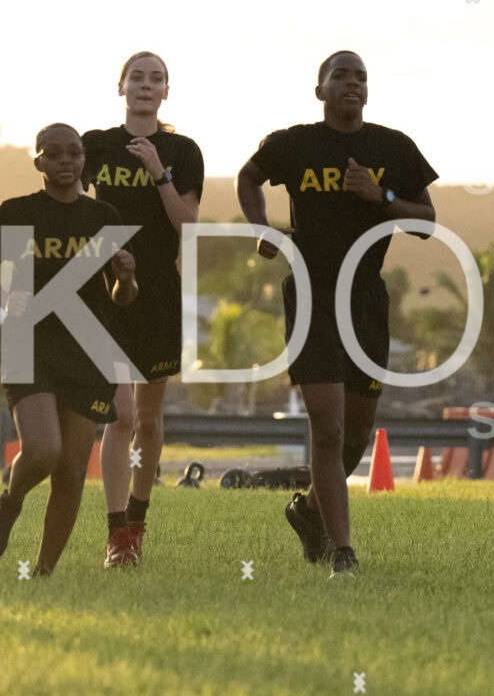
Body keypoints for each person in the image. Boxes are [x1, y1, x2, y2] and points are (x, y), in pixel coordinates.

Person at [235, 51, 439, 579]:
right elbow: (247, 177)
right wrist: (264, 227)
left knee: (355, 436)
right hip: (312, 293)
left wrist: (381, 194)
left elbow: (427, 222)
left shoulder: (392, 148)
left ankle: (307, 510)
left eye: (361, 77)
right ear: (320, 88)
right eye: (340, 76)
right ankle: (342, 551)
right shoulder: (295, 143)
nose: (352, 83)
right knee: (326, 430)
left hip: (366, 299)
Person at [0, 123, 139, 577]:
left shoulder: (103, 216)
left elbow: (122, 298)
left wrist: (126, 278)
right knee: (43, 450)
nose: (66, 161)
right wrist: (6, 299)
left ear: (84, 160)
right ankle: (9, 503)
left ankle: (43, 573)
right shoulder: (16, 212)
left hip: (87, 346)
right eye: (55, 153)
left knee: (70, 470)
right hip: (30, 341)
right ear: (39, 161)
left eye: (75, 153)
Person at [81, 52, 203, 567]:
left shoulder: (182, 149)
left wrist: (158, 171)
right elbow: (68, 202)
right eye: (137, 77)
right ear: (121, 86)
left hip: (157, 291)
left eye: (156, 79)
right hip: (105, 290)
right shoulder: (95, 145)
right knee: (121, 413)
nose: (145, 86)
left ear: (166, 92)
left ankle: (137, 519)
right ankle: (116, 536)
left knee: (149, 421)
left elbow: (187, 224)